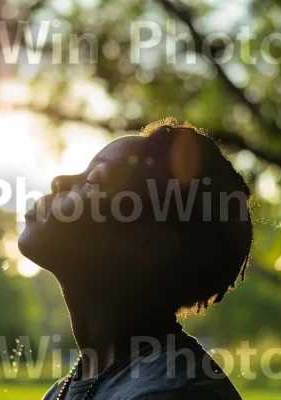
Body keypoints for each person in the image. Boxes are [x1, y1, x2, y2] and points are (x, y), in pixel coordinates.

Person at [18, 117, 253, 399]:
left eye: (94, 180)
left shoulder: (171, 393)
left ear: (151, 243)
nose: (60, 181)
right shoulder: (64, 390)